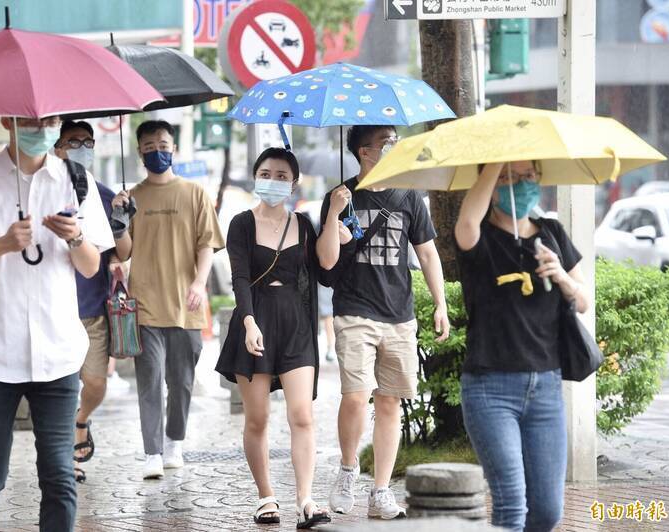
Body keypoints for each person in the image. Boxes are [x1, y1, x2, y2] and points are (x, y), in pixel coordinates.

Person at [0, 116, 115, 532]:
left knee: (59, 474)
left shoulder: (75, 180)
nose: (43, 126)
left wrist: (74, 238)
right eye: (32, 119)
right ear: (7, 120)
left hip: (57, 352)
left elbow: (90, 267)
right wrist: (2, 243)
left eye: (50, 119)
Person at [317, 125, 450, 519]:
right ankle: (346, 469)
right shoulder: (339, 196)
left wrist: (439, 303)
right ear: (364, 151)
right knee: (356, 395)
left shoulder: (409, 195)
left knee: (390, 401)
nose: (394, 146)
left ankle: (380, 492)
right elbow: (325, 262)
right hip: (354, 309)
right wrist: (332, 218)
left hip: (399, 314)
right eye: (386, 142)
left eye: (395, 139)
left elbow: (427, 254)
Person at [454, 161, 588, 531]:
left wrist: (561, 276)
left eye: (529, 176)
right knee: (512, 506)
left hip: (545, 387)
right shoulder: (477, 238)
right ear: (489, 184)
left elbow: (583, 300)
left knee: (547, 512)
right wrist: (498, 159)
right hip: (490, 390)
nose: (522, 184)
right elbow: (466, 224)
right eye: (509, 178)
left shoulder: (552, 233)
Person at [217, 148, 347, 528]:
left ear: (294, 183)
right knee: (257, 418)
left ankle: (306, 499)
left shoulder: (304, 225)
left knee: (302, 415)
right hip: (254, 320)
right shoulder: (242, 223)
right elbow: (239, 277)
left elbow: (326, 267)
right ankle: (265, 497)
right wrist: (248, 322)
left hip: (295, 325)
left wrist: (335, 218)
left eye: (280, 175)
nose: (271, 180)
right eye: (265, 173)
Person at [112, 120, 224, 479]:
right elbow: (124, 252)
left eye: (162, 143)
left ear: (173, 147)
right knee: (149, 381)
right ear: (138, 151)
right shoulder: (133, 198)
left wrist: (199, 282)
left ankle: (175, 440)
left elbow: (207, 243)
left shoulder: (195, 194)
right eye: (147, 146)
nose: (155, 151)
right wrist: (119, 220)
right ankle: (153, 453)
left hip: (187, 307)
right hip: (144, 305)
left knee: (182, 382)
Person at [53, 120, 129, 483]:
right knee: (60, 387)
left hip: (93, 307)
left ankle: (81, 419)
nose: (81, 147)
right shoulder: (43, 192)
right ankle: (67, 459)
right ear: (57, 147)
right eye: (73, 141)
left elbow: (122, 252)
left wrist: (121, 220)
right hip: (53, 310)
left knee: (95, 384)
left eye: (87, 142)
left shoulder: (103, 193)